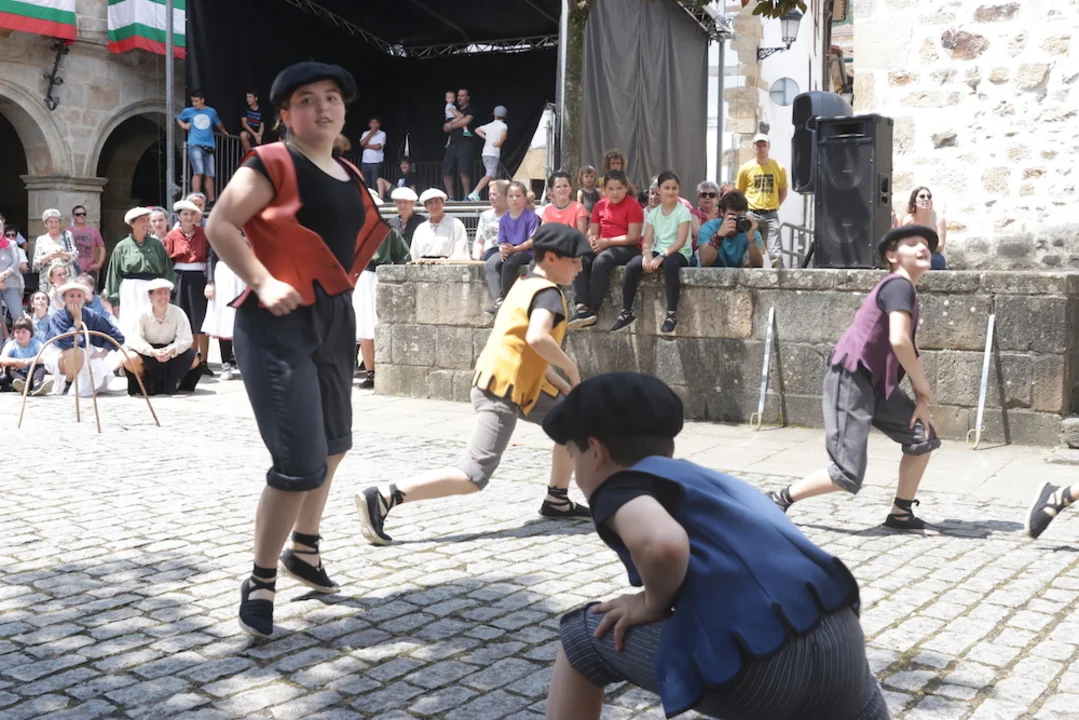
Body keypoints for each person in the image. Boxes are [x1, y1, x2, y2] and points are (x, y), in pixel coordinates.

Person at [540, 372, 888, 720]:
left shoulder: (619, 486)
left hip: (762, 661)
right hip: (840, 636)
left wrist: (649, 603)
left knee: (581, 638)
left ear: (596, 451)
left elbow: (663, 544)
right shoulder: (708, 481)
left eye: (573, 457)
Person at [205, 61, 388, 638]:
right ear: (286, 114)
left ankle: (304, 549)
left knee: (334, 445)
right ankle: (261, 580)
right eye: (307, 99)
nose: (323, 107)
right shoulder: (271, 161)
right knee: (297, 464)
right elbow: (220, 225)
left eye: (332, 97)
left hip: (332, 315)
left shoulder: (349, 172)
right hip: (275, 322)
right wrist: (261, 280)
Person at [355, 223, 592, 546]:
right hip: (503, 390)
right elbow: (537, 338)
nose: (580, 268)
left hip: (512, 384)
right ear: (551, 258)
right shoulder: (548, 294)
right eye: (575, 261)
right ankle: (384, 497)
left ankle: (557, 499)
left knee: (573, 424)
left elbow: (522, 347)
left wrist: (561, 385)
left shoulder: (524, 283)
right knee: (473, 476)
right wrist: (572, 370)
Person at [770, 226, 942, 530]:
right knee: (846, 474)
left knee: (922, 437)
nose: (922, 247)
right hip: (851, 376)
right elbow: (899, 340)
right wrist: (922, 385)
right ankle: (778, 499)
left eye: (926, 244)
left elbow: (909, 349)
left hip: (876, 382)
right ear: (892, 255)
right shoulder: (898, 285)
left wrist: (921, 402)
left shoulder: (904, 290)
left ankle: (900, 514)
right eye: (912, 243)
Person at [612, 171, 692, 335]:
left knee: (670, 265)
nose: (671, 192)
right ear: (659, 190)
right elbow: (647, 240)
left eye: (674, 188)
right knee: (632, 265)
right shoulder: (653, 213)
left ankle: (671, 315)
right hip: (659, 250)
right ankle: (626, 311)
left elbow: (681, 241)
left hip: (679, 252)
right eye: (667, 188)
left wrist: (662, 256)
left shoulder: (683, 211)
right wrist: (647, 255)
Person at [569, 170, 644, 329]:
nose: (615, 192)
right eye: (611, 189)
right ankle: (581, 307)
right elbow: (592, 231)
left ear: (626, 188)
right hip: (604, 243)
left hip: (627, 247)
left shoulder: (633, 205)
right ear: (604, 190)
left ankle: (592, 309)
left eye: (619, 188)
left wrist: (607, 243)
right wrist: (592, 238)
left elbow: (634, 237)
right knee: (579, 257)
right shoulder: (600, 205)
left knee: (602, 261)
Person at [354, 190, 411, 390]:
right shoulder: (352, 230)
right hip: (360, 279)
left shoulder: (387, 231)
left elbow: (404, 256)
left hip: (380, 276)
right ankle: (370, 372)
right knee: (364, 328)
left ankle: (385, 370)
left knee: (380, 325)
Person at [104, 207, 176, 344]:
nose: (147, 224)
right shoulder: (122, 247)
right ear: (133, 224)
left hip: (153, 288)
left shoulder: (157, 245)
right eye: (142, 220)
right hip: (130, 290)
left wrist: (166, 291)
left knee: (152, 321)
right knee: (131, 322)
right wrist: (114, 301)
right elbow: (114, 274)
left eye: (147, 220)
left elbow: (167, 270)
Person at [43, 280, 124, 397]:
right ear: (64, 298)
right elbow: (65, 342)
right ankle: (68, 382)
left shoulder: (91, 315)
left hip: (85, 351)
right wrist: (77, 321)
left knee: (89, 360)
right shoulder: (57, 317)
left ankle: (76, 383)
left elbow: (116, 335)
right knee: (75, 352)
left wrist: (105, 351)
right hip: (60, 353)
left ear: (84, 298)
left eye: (79, 296)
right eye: (71, 296)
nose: (75, 299)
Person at [124, 278, 203, 396]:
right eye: (159, 293)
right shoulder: (141, 313)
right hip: (148, 352)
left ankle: (175, 382)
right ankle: (144, 383)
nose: (163, 297)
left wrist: (173, 349)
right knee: (129, 359)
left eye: (166, 293)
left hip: (170, 352)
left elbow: (185, 338)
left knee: (195, 359)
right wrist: (152, 352)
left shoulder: (178, 312)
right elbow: (134, 339)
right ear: (150, 296)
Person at [164, 200, 212, 376]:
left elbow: (210, 257)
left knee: (201, 320)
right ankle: (190, 360)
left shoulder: (204, 234)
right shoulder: (172, 236)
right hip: (179, 278)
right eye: (185, 214)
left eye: (192, 214)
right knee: (184, 319)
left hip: (199, 278)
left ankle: (204, 360)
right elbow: (167, 261)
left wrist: (210, 281)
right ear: (178, 216)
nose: (189, 218)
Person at [485, 181, 539, 312]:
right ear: (506, 199)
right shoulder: (504, 219)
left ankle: (508, 299)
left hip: (526, 251)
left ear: (524, 198)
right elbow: (502, 240)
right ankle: (498, 300)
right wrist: (503, 249)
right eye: (511, 196)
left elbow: (532, 240)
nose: (514, 199)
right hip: (510, 249)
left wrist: (515, 249)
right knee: (491, 263)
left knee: (509, 264)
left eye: (518, 196)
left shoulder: (531, 217)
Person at [736, 134, 788, 268]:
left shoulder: (778, 167)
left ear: (768, 147)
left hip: (771, 214)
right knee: (748, 246)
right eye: (758, 145)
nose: (761, 148)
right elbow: (739, 193)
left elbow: (783, 191)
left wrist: (774, 205)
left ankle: (778, 274)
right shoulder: (745, 168)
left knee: (775, 252)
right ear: (753, 147)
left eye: (764, 145)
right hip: (751, 213)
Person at [202, 239, 246, 382]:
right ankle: (225, 364)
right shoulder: (218, 230)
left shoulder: (248, 231)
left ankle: (244, 364)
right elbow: (211, 257)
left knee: (243, 321)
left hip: (243, 274)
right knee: (224, 319)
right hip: (223, 276)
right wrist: (210, 282)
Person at [177, 89, 227, 203]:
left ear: (202, 100)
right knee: (198, 171)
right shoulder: (189, 111)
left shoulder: (211, 112)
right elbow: (179, 118)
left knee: (210, 174)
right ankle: (196, 198)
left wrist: (224, 131)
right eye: (193, 101)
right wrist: (184, 125)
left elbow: (218, 122)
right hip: (195, 144)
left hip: (209, 145)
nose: (194, 103)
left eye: (196, 101)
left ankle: (211, 200)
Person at [696, 189, 766, 269]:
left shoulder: (751, 231)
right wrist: (718, 237)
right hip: (710, 274)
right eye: (732, 216)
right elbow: (704, 262)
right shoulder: (708, 228)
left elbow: (758, 266)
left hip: (737, 275)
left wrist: (751, 240)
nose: (736, 220)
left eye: (739, 216)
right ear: (722, 212)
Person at [409, 189, 469, 261]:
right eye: (430, 203)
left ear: (443, 203)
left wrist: (445, 261)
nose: (434, 206)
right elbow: (414, 254)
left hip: (449, 265)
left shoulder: (456, 224)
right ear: (426, 207)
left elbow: (460, 251)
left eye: (437, 202)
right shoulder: (421, 229)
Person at [0, 317, 51, 395]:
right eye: (17, 332)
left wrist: (26, 362)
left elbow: (43, 357)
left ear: (30, 333)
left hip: (32, 374)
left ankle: (37, 385)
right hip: (17, 376)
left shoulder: (36, 343)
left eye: (24, 332)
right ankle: (22, 385)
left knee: (40, 365)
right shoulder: (12, 344)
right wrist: (16, 362)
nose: (20, 335)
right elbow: (2, 359)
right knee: (9, 368)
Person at [467, 105, 508, 202]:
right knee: (490, 174)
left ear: (494, 115)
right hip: (493, 153)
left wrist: (486, 137)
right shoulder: (503, 126)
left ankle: (493, 196)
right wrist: (499, 143)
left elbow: (477, 129)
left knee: (492, 177)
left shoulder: (489, 125)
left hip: (485, 153)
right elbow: (504, 135)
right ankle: (475, 192)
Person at [902, 186, 948, 270]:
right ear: (914, 201)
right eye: (922, 196)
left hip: (934, 255)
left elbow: (940, 247)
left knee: (934, 260)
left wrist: (920, 246)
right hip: (915, 253)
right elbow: (904, 244)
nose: (926, 199)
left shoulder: (939, 219)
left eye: (929, 197)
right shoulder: (908, 220)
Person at [33, 209, 79, 292]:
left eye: (56, 222)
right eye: (51, 222)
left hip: (67, 278)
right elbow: (36, 265)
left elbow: (75, 255)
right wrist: (49, 256)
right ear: (45, 224)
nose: (54, 225)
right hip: (48, 281)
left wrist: (61, 255)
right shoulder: (41, 240)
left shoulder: (67, 236)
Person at [442, 88, 475, 200]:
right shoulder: (453, 108)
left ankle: (466, 197)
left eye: (462, 96)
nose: (459, 98)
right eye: (458, 95)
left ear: (468, 97)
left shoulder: (470, 109)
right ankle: (451, 197)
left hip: (465, 142)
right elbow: (445, 127)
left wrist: (451, 126)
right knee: (446, 170)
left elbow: (466, 121)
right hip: (452, 142)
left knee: (463, 170)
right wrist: (451, 125)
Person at [0, 226, 29, 335]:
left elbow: (16, 263)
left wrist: (3, 276)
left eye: (0, 228)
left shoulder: (12, 244)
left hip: (11, 284)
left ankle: (20, 340)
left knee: (18, 315)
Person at [472, 180, 509, 261]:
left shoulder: (514, 215)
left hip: (507, 253)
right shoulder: (485, 216)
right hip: (488, 253)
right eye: (490, 195)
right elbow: (479, 242)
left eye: (494, 194)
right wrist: (475, 259)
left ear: (505, 195)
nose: (491, 197)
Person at [68, 205, 106, 280]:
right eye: (78, 214)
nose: (81, 216)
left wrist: (99, 264)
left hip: (90, 271)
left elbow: (102, 248)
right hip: (72, 271)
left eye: (84, 214)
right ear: (73, 216)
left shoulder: (94, 231)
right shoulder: (67, 232)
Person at [358, 116, 387, 191]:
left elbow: (378, 147)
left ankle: (375, 197)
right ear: (369, 124)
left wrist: (366, 146)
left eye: (376, 123)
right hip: (365, 162)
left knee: (375, 184)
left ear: (379, 124)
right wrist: (371, 133)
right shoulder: (365, 133)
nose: (374, 125)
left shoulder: (382, 134)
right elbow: (362, 143)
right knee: (365, 183)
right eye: (372, 123)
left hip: (376, 162)